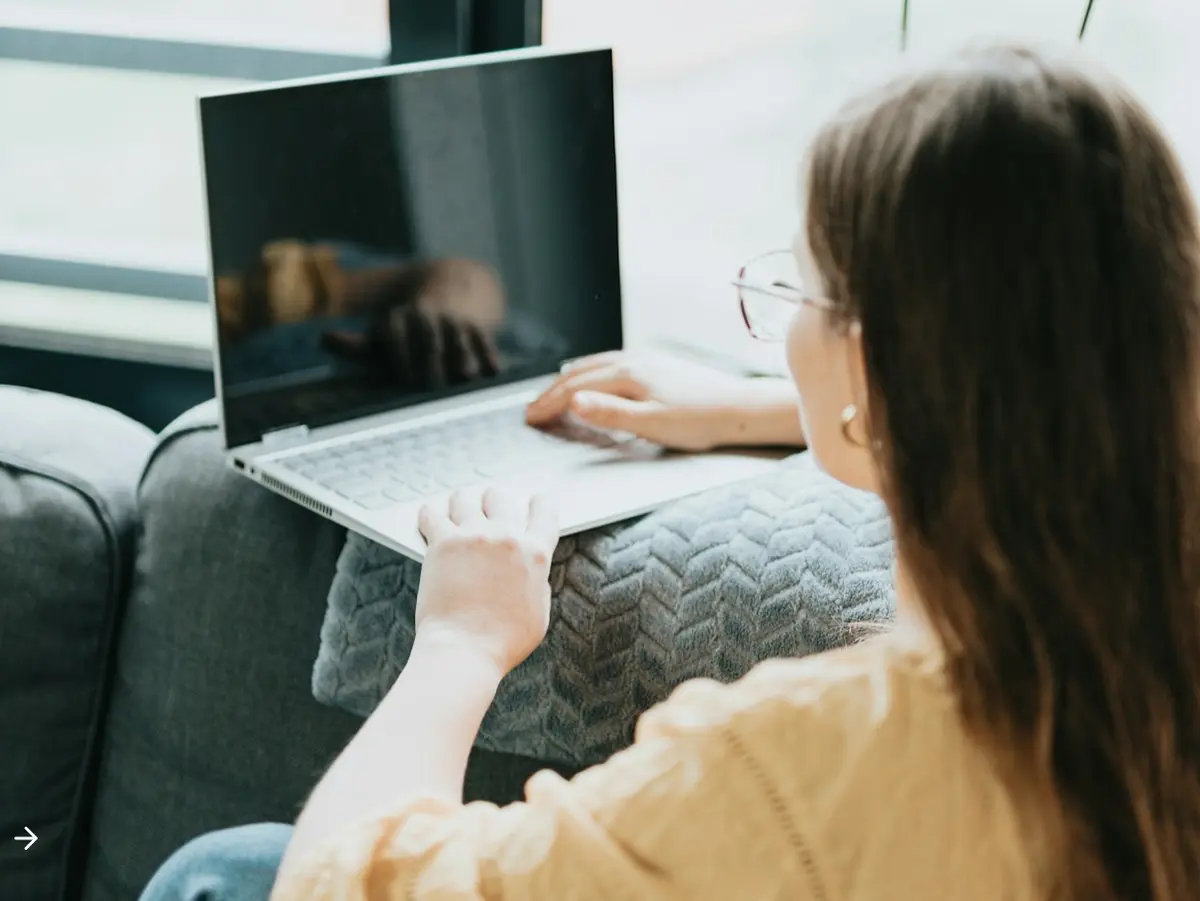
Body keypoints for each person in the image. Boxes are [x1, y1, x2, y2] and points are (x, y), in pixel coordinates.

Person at [138, 44, 1200, 901]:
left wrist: (462, 639)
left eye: (797, 289)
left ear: (873, 368)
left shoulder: (802, 767)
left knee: (221, 874)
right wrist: (760, 408)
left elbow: (336, 885)